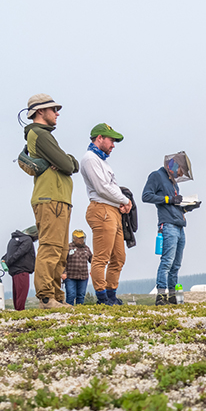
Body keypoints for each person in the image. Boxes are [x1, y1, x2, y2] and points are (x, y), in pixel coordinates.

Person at [21, 94, 81, 310]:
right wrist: (67, 161)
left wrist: (68, 162)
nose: (57, 114)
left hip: (58, 199)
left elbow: (68, 163)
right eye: (53, 109)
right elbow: (67, 164)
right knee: (51, 247)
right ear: (40, 111)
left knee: (60, 248)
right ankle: (47, 297)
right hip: (51, 199)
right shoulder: (39, 134)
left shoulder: (43, 136)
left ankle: (55, 296)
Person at [80, 123, 130, 305]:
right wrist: (125, 200)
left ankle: (111, 294)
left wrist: (121, 203)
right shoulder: (90, 158)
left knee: (119, 257)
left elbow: (111, 187)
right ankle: (101, 297)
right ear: (99, 138)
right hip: (101, 209)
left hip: (113, 210)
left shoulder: (103, 162)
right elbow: (102, 188)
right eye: (111, 140)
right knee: (102, 256)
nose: (113, 145)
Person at [143, 155, 200, 306]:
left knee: (176, 265)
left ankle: (173, 297)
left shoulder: (174, 184)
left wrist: (187, 208)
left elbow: (173, 205)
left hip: (179, 225)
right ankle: (161, 296)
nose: (181, 175)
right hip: (168, 225)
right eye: (181, 171)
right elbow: (146, 196)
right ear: (174, 166)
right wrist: (169, 199)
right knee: (167, 262)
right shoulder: (157, 176)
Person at [2, 226, 38, 311]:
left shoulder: (14, 239)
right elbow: (20, 253)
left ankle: (17, 309)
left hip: (14, 271)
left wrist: (6, 262)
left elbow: (9, 254)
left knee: (17, 293)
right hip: (22, 270)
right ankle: (20, 310)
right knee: (22, 293)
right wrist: (9, 262)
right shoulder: (27, 240)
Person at [65, 230, 92, 306]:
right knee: (71, 295)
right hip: (70, 276)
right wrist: (63, 273)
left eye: (82, 238)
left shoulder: (87, 249)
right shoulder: (68, 247)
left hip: (83, 277)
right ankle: (68, 310)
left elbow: (92, 260)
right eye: (79, 238)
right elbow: (62, 261)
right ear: (74, 238)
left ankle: (79, 310)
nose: (81, 240)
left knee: (81, 295)